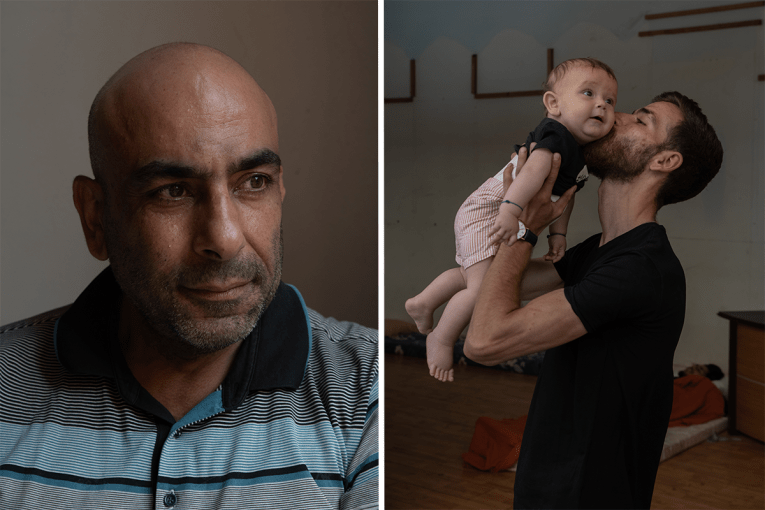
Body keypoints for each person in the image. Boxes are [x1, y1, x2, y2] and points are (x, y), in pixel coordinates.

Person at [0, 43, 378, 510]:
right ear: (95, 217)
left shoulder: (368, 391)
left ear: (280, 190)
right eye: (172, 191)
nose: (224, 238)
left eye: (253, 182)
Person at [464, 91, 723, 508]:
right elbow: (491, 284)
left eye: (641, 120)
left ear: (664, 160)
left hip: (587, 492)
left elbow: (485, 340)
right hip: (549, 480)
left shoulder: (640, 268)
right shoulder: (598, 250)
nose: (611, 116)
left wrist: (527, 228)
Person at [406, 58, 618, 382]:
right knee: (483, 289)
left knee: (476, 275)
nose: (601, 105)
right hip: (490, 209)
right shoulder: (556, 134)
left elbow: (564, 199)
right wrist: (509, 211)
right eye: (588, 93)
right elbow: (532, 172)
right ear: (553, 104)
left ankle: (424, 302)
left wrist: (557, 236)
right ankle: (442, 337)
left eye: (610, 100)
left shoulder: (581, 156)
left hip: (507, 208)